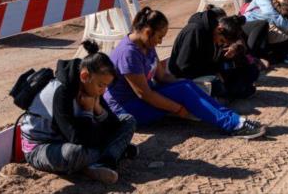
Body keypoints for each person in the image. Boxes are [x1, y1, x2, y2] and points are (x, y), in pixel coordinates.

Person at [103, 7, 266, 139]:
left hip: (144, 97)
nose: (160, 42)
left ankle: (235, 120)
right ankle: (234, 124)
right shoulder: (128, 54)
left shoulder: (147, 46)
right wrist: (179, 109)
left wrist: (189, 90)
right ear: (147, 32)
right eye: (159, 37)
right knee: (183, 90)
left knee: (186, 85)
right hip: (126, 110)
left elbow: (163, 77)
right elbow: (144, 94)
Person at [19, 40, 137, 185]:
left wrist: (98, 110)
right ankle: (110, 154)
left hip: (78, 138)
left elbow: (114, 124)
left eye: (106, 86)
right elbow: (77, 138)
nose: (103, 90)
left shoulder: (92, 87)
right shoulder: (61, 93)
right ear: (85, 76)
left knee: (128, 120)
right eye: (101, 85)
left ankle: (103, 161)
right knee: (74, 153)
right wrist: (88, 111)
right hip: (43, 147)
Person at [168, 5, 261, 100]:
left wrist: (234, 49)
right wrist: (214, 72)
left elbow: (211, 60)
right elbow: (183, 66)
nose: (220, 44)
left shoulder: (212, 32)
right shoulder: (195, 31)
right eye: (221, 41)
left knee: (250, 71)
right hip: (187, 75)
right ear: (220, 29)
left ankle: (232, 91)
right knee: (220, 85)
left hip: (207, 71)